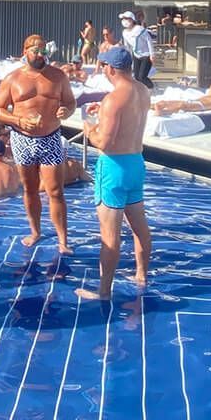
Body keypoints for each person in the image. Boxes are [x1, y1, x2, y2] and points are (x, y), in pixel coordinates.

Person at [76, 47, 153, 301]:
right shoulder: (143, 91)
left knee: (109, 235)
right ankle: (141, 275)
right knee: (139, 227)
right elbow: (126, 120)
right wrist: (104, 113)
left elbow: (105, 143)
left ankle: (104, 292)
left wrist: (89, 129)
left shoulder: (113, 98)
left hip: (113, 168)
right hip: (136, 163)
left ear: (110, 69)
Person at [0, 34, 77, 252]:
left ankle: (63, 241)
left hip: (50, 138)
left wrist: (66, 111)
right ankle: (35, 232)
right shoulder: (12, 79)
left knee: (56, 191)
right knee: (30, 190)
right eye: (36, 51)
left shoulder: (58, 77)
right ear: (25, 51)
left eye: (44, 51)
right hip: (22, 139)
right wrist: (18, 120)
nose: (40, 55)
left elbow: (70, 101)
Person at [120, 11, 155, 88]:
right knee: (136, 77)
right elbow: (127, 45)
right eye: (123, 19)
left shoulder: (140, 29)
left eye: (127, 19)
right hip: (136, 55)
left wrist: (152, 55)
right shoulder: (124, 32)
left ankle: (152, 87)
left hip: (146, 55)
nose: (125, 21)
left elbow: (149, 41)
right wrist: (128, 57)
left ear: (132, 20)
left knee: (142, 77)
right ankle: (141, 90)